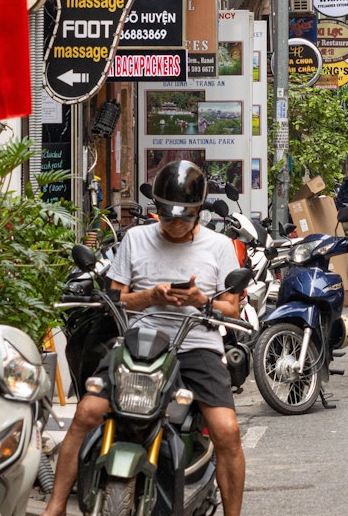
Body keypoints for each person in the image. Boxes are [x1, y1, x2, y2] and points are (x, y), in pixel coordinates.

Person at [42, 160, 246, 516]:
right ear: (158, 210)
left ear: (199, 212)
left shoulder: (219, 246)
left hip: (196, 347)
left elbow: (231, 309)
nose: (175, 224)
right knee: (87, 413)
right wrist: (151, 297)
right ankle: (55, 506)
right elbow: (116, 297)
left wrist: (201, 301)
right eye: (168, 216)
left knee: (227, 430)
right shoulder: (135, 238)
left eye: (184, 217)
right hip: (139, 345)